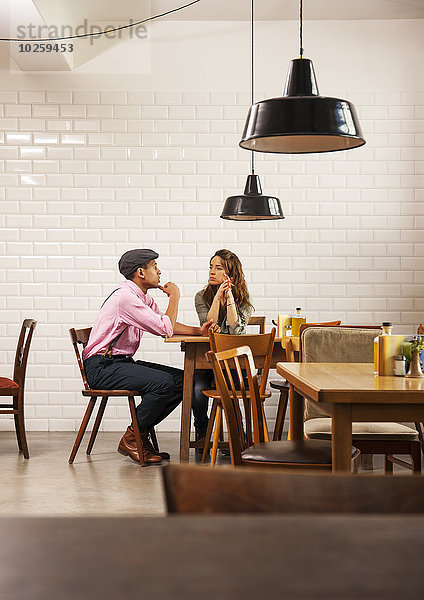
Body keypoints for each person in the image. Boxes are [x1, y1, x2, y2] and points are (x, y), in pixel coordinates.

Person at [82, 248, 216, 465]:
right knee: (163, 383)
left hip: (118, 363)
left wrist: (198, 331)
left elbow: (165, 322)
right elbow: (165, 328)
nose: (159, 271)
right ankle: (133, 437)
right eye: (155, 266)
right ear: (141, 273)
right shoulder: (125, 297)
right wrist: (175, 296)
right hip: (102, 366)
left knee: (183, 380)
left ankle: (138, 435)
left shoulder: (141, 297)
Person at [193, 249, 253, 451]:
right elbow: (207, 325)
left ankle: (236, 433)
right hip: (207, 362)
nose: (212, 272)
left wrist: (229, 299)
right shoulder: (201, 296)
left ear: (231, 274)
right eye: (211, 267)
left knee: (232, 384)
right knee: (196, 389)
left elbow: (236, 330)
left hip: (233, 364)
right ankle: (202, 430)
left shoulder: (243, 298)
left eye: (218, 268)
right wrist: (217, 297)